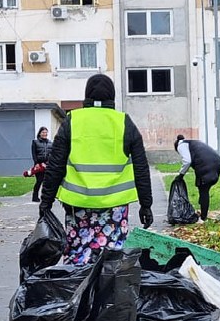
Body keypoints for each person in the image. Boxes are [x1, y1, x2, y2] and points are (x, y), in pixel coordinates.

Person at [38, 74, 153, 265]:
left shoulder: (72, 120)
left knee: (78, 255)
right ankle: (107, 293)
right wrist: (146, 204)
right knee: (111, 259)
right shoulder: (123, 122)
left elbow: (55, 165)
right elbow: (141, 167)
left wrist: (46, 202)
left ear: (87, 96)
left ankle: (79, 291)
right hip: (114, 207)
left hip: (78, 206)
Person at [174, 134, 220, 221]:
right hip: (216, 163)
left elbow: (187, 161)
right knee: (203, 189)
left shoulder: (181, 145)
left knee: (204, 191)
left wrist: (180, 175)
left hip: (206, 165)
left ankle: (203, 218)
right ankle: (203, 210)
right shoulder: (192, 143)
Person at [27, 127, 51, 203]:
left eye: (46, 132)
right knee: (39, 181)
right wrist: (36, 163)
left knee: (47, 182)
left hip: (47, 165)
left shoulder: (50, 143)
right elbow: (34, 154)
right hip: (38, 165)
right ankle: (35, 196)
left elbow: (51, 154)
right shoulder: (35, 142)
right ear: (40, 133)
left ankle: (45, 197)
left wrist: (47, 163)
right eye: (43, 132)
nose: (45, 134)